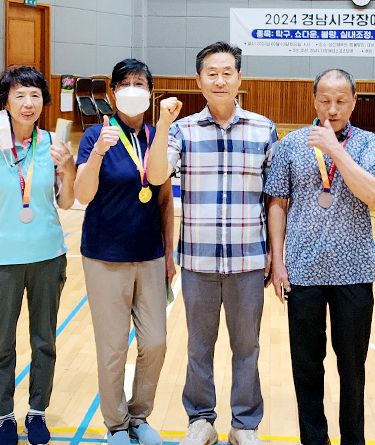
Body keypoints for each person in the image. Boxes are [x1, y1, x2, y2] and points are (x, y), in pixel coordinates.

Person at [147, 41, 278, 445]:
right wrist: (164, 123)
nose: (220, 80)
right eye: (211, 73)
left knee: (247, 346)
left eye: (227, 72)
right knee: (198, 347)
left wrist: (276, 252)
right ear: (199, 80)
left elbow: (275, 197)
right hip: (199, 260)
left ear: (240, 78)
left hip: (249, 259)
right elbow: (154, 176)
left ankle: (244, 424)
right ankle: (200, 420)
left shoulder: (263, 128)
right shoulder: (183, 130)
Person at [265, 69, 375, 445]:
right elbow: (277, 203)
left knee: (352, 369)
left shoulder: (365, 142)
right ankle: (314, 440)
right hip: (302, 271)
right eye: (325, 100)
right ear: (314, 100)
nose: (332, 109)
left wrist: (335, 149)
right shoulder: (291, 143)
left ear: (353, 102)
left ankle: (353, 440)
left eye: (341, 101)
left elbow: (372, 193)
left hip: (354, 272)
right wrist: (278, 261)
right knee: (306, 367)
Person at [0, 66, 76, 445]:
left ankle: (38, 412)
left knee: (44, 339)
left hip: (48, 257)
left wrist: (69, 167)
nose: (28, 104)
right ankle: (5, 416)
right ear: (5, 102)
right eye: (19, 96)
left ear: (44, 101)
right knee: (1, 343)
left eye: (34, 96)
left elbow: (66, 200)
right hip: (0, 262)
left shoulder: (54, 142)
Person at [73, 59, 182, 445]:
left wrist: (169, 253)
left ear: (150, 93)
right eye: (125, 83)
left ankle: (139, 415)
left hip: (150, 255)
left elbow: (164, 197)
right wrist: (99, 153)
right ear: (113, 92)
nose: (132, 89)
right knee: (114, 345)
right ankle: (116, 423)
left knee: (155, 342)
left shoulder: (158, 136)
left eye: (140, 83)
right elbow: (81, 195)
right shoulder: (94, 136)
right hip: (104, 255)